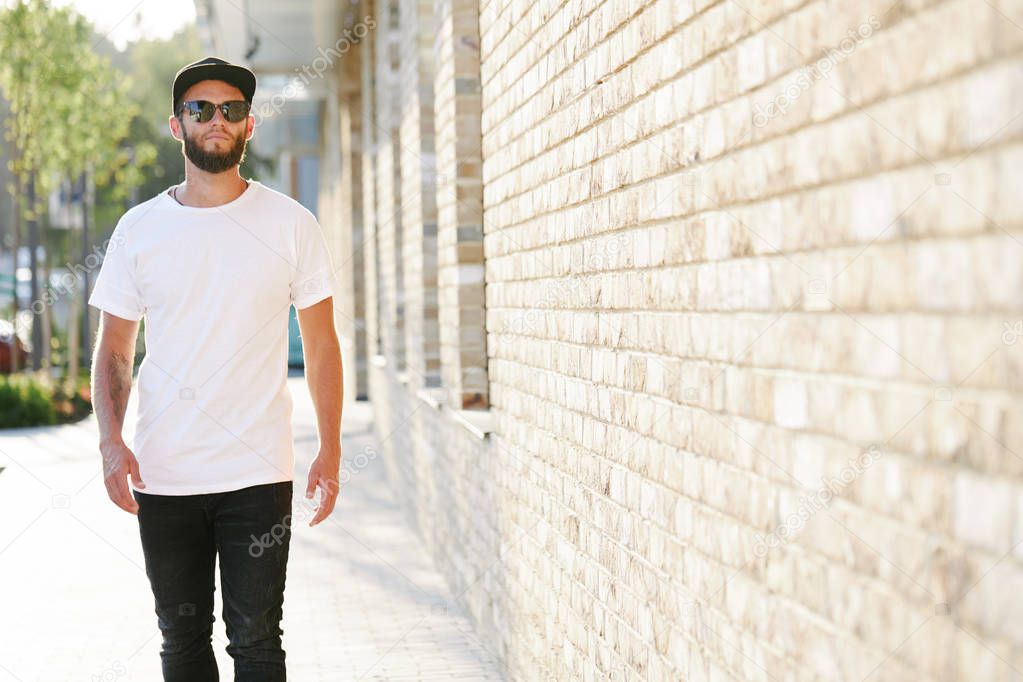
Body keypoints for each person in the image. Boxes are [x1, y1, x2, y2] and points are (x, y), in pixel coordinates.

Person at [88, 56, 344, 682]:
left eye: (231, 110)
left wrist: (331, 447)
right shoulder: (139, 230)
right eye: (200, 109)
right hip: (164, 470)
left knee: (257, 641)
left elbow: (322, 344)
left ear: (249, 126)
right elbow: (116, 348)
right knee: (181, 640)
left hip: (258, 472)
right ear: (177, 125)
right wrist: (110, 443)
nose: (216, 121)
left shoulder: (291, 224)